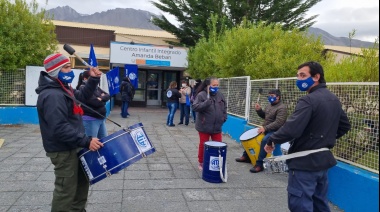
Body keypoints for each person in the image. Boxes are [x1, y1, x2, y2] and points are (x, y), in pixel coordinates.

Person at [264, 61, 351, 212]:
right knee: (320, 203)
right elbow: (345, 126)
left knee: (300, 205)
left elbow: (292, 129)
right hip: (322, 162)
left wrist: (272, 139)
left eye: (303, 75)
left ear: (316, 77)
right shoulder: (333, 99)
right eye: (298, 76)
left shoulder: (308, 100)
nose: (299, 80)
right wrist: (323, 140)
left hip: (304, 164)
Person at [35, 53, 104, 212]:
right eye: (66, 67)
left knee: (81, 183)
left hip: (75, 145)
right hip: (63, 150)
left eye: (69, 66)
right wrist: (87, 141)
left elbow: (82, 97)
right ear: (54, 71)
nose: (70, 70)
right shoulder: (52, 95)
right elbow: (59, 128)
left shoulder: (63, 88)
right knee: (65, 190)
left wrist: (93, 79)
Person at [235, 89, 288, 173]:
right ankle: (247, 156)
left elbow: (279, 122)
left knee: (265, 140)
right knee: (251, 137)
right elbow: (266, 117)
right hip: (267, 128)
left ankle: (259, 164)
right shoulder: (269, 105)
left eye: (272, 96)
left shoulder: (282, 108)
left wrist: (265, 128)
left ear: (278, 97)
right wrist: (259, 110)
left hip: (276, 130)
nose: (270, 97)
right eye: (269, 96)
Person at [192, 77, 227, 171]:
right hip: (204, 125)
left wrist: (224, 117)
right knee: (203, 145)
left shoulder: (220, 95)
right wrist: (206, 103)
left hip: (217, 126)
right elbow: (195, 107)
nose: (216, 87)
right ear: (208, 86)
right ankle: (202, 162)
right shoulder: (201, 95)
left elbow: (224, 107)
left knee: (218, 145)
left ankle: (216, 161)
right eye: (213, 85)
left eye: (217, 85)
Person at [78, 70, 110, 139]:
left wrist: (100, 98)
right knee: (92, 143)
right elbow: (95, 103)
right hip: (90, 119)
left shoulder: (97, 88)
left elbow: (108, 95)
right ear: (85, 79)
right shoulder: (82, 88)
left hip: (101, 118)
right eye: (92, 77)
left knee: (104, 140)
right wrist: (102, 99)